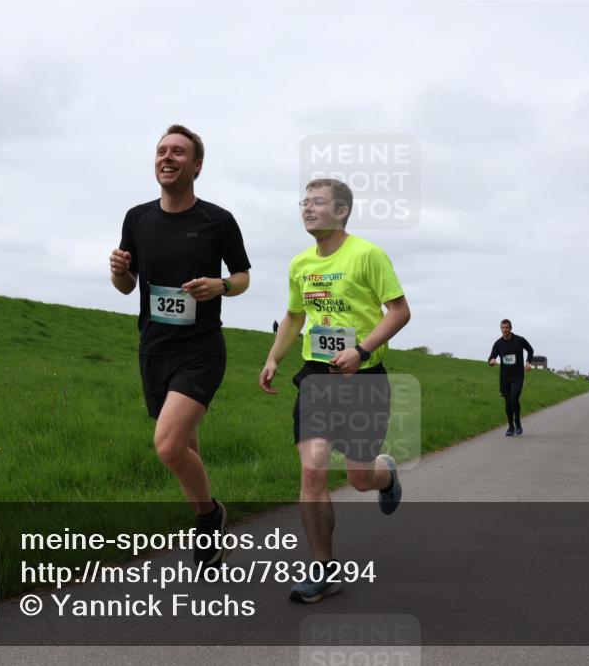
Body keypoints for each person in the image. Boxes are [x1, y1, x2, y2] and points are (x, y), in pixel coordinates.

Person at [259, 178, 411, 603]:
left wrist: (362, 350)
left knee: (359, 478)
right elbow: (293, 316)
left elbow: (399, 311)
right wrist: (274, 357)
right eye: (304, 202)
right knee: (312, 471)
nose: (307, 209)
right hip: (316, 377)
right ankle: (322, 569)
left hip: (363, 377)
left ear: (342, 211)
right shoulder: (300, 264)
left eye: (318, 202)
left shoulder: (367, 254)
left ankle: (385, 475)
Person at [109, 125, 251, 569]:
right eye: (160, 151)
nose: (166, 158)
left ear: (196, 165)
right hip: (153, 349)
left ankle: (209, 517)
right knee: (188, 447)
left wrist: (221, 285)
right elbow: (127, 287)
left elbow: (244, 276)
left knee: (168, 446)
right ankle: (208, 527)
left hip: (201, 350)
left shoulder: (217, 221)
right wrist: (116, 270)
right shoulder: (137, 218)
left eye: (177, 152)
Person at [487, 319, 534, 436]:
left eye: (506, 328)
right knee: (508, 403)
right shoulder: (498, 343)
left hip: (517, 376)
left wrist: (528, 362)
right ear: (500, 328)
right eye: (502, 328)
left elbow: (530, 350)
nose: (504, 330)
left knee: (514, 399)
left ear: (510, 328)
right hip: (505, 378)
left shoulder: (519, 340)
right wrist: (492, 361)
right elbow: (491, 358)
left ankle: (517, 421)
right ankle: (510, 426)